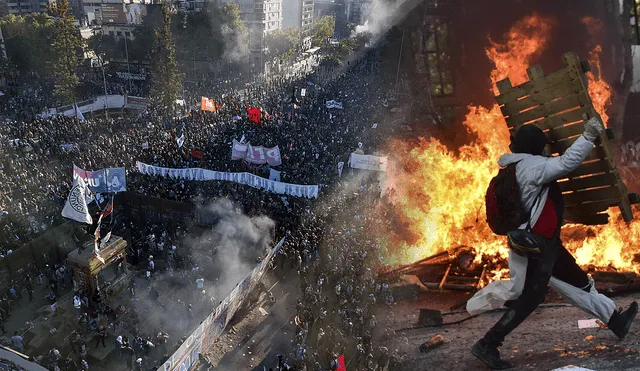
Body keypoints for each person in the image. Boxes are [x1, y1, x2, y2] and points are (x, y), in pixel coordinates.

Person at [469, 119, 639, 369]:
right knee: (532, 297)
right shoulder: (532, 167)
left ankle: (614, 319)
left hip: (536, 243)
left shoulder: (510, 169)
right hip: (538, 247)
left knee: (579, 281)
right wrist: (588, 136)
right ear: (536, 147)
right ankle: (488, 343)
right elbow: (566, 163)